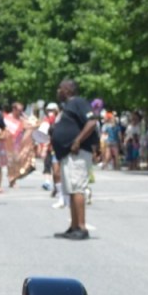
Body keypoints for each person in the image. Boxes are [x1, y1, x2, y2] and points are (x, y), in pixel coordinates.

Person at [50, 79, 97, 240]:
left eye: (60, 88)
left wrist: (77, 140)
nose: (58, 91)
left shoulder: (79, 102)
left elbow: (91, 122)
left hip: (78, 153)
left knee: (77, 188)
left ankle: (82, 227)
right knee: (71, 190)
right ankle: (74, 226)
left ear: (68, 90)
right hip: (67, 155)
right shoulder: (67, 107)